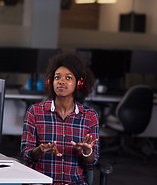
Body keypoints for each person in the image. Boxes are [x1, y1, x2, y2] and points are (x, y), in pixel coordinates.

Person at [21, 52, 99, 185]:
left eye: (68, 78)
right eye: (57, 77)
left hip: (75, 182)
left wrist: (87, 151)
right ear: (51, 82)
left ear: (79, 82)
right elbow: (25, 154)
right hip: (42, 182)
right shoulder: (35, 112)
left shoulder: (90, 116)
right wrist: (40, 149)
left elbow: (93, 160)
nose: (61, 81)